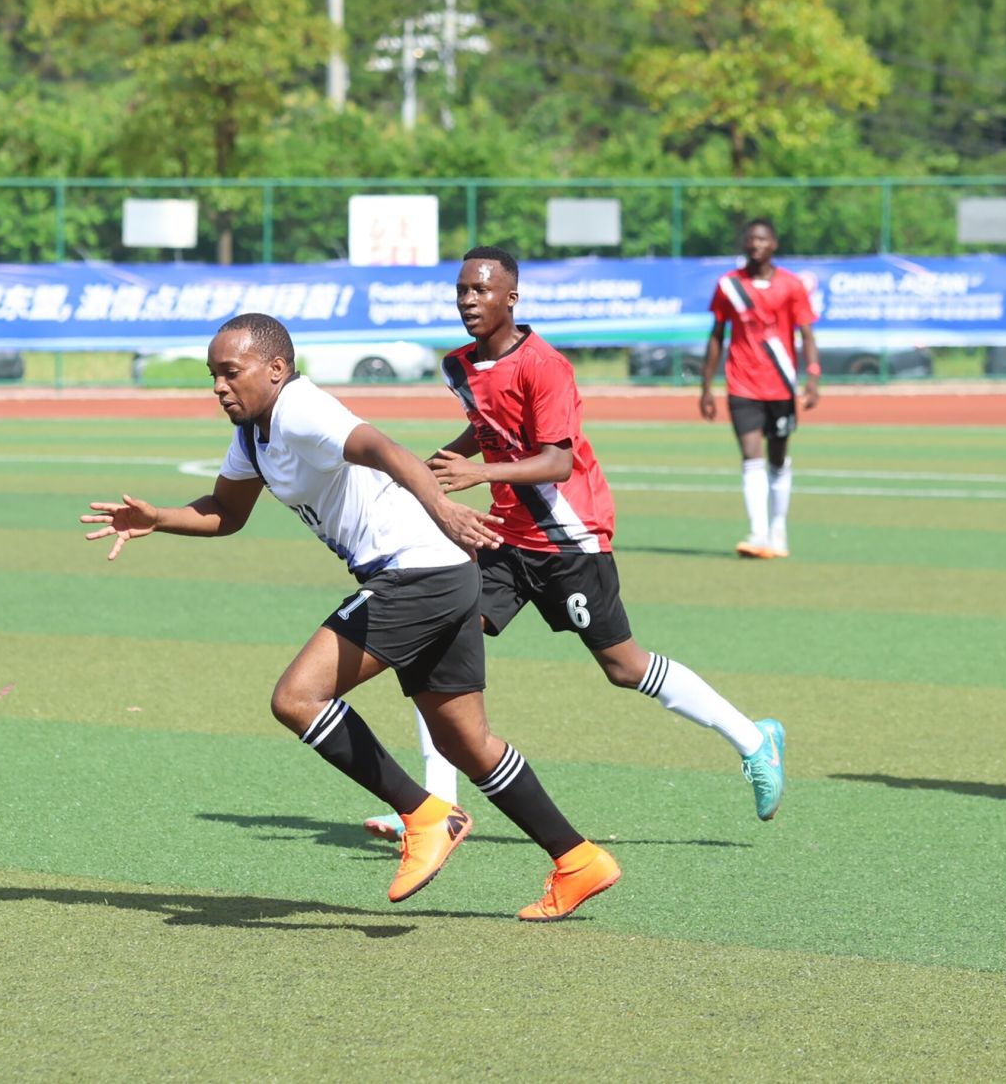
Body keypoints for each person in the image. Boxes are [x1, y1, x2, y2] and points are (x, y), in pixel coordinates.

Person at [82, 312, 620, 921]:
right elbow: (226, 512)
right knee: (464, 740)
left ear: (276, 369)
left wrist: (442, 508)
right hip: (438, 571)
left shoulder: (300, 408)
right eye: (213, 375)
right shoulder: (253, 434)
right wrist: (158, 518)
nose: (218, 386)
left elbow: (384, 450)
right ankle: (578, 859)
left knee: (297, 697)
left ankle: (428, 817)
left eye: (230, 372)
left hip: (417, 570)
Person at [363, 247, 785, 840]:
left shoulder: (546, 366)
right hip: (506, 536)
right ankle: (439, 810)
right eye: (461, 290)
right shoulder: (458, 366)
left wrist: (477, 473)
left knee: (624, 666)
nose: (468, 301)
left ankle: (753, 738)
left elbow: (558, 462)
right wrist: (441, 461)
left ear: (511, 298)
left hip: (570, 538)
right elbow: (490, 427)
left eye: (481, 290)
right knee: (435, 641)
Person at [701, 217, 820, 558]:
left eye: (763, 239)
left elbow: (807, 334)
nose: (756, 244)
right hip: (742, 385)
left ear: (774, 244)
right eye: (751, 239)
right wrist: (706, 386)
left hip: (781, 385)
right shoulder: (728, 286)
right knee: (751, 455)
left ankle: (778, 529)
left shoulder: (791, 286)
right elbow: (716, 335)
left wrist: (813, 377)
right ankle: (758, 534)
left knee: (777, 459)